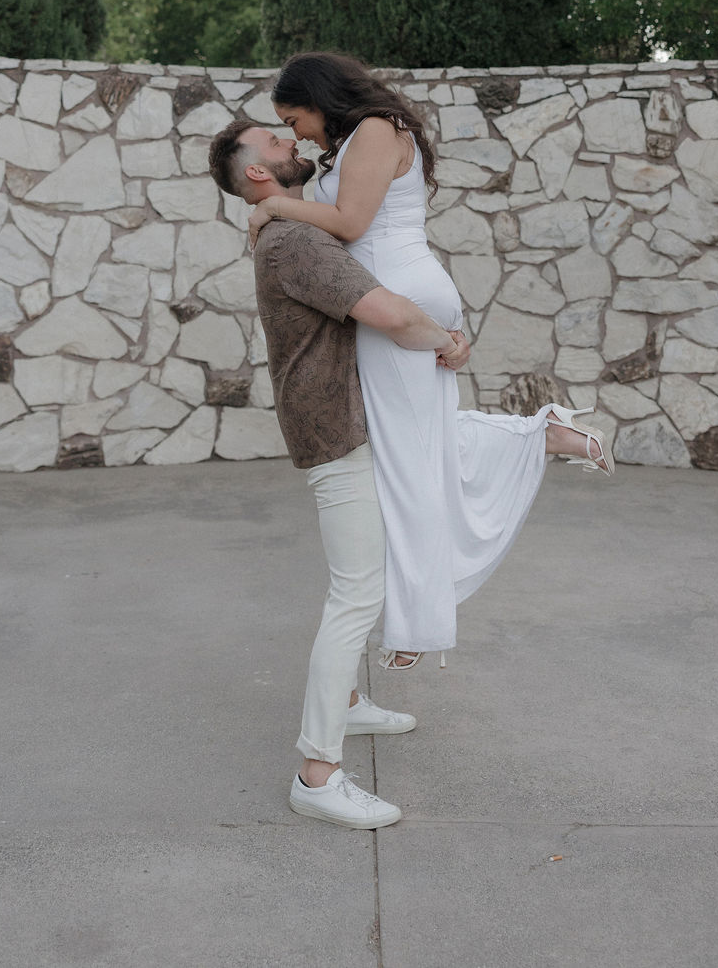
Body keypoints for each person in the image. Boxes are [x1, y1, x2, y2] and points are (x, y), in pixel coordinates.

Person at [247, 51, 614, 671]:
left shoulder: (373, 131)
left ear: (320, 99)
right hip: (403, 288)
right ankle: (545, 437)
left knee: (403, 458)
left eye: (295, 117)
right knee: (418, 441)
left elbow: (351, 221)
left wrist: (272, 207)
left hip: (395, 293)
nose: (295, 132)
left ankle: (414, 621)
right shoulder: (364, 135)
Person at [208, 118, 470, 830]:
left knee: (355, 579)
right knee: (357, 592)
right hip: (336, 430)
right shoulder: (294, 241)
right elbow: (384, 311)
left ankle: (350, 706)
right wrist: (447, 341)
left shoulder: (287, 227)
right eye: (277, 140)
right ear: (258, 172)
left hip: (344, 422)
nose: (293, 143)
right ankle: (316, 772)